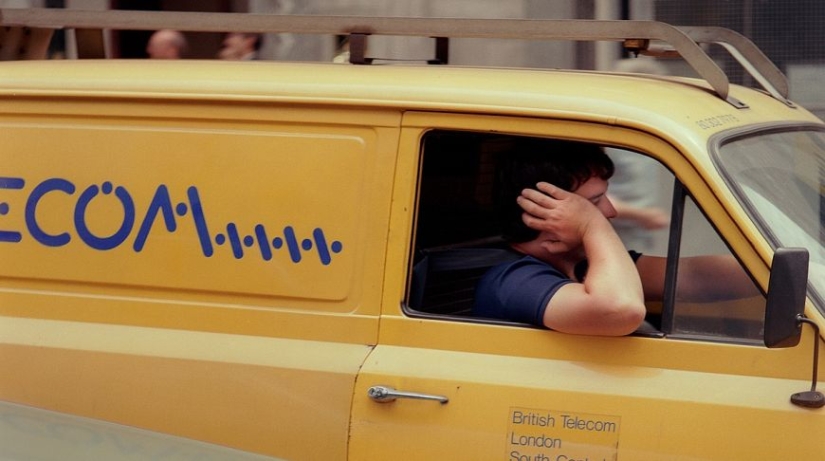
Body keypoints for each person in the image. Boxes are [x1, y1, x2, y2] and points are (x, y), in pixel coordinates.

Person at [472, 139, 757, 336]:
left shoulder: (582, 265)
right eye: (594, 203)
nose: (610, 211)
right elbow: (621, 310)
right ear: (543, 212)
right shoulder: (512, 281)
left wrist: (776, 272)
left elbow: (697, 277)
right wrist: (592, 225)